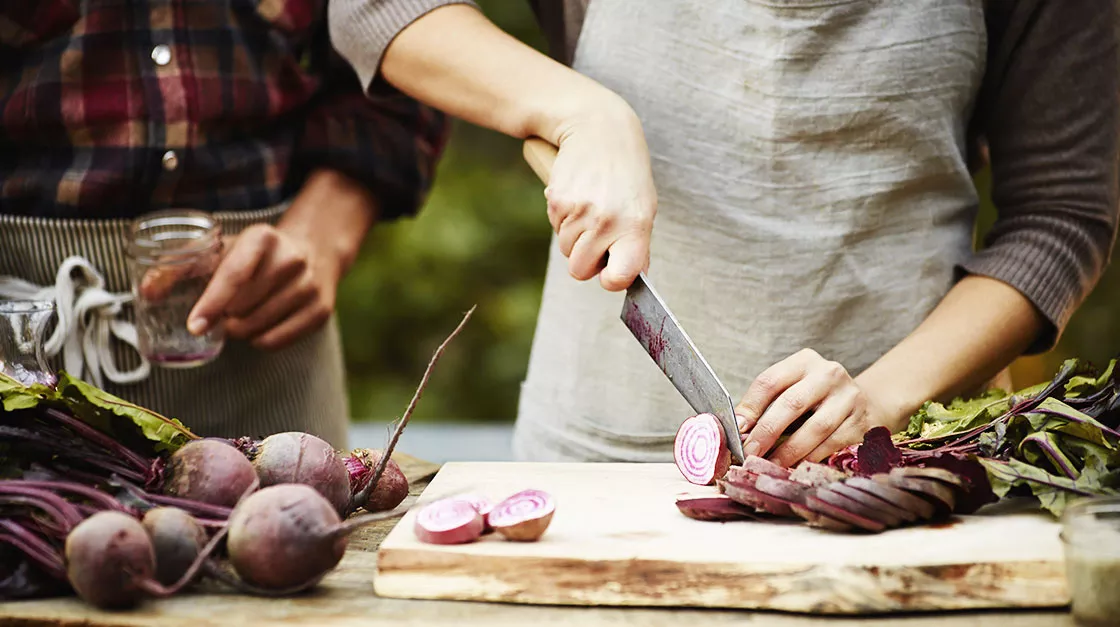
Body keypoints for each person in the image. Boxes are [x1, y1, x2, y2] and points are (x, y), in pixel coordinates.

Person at [328, 0, 1120, 466]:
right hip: (599, 445)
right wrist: (579, 111)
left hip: (899, 455)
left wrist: (881, 398)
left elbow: (1061, 216)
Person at [0, 2, 449, 449]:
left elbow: (412, 41)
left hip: (267, 337)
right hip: (20, 364)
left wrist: (319, 238)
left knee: (304, 519)